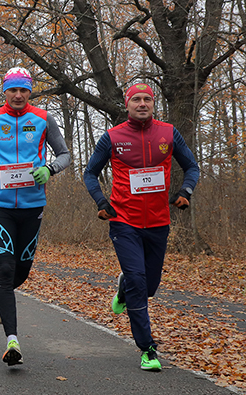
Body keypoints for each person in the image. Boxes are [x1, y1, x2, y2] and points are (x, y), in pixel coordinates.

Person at [84, 83, 199, 371]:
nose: (142, 103)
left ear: (153, 103)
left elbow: (192, 167)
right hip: (124, 222)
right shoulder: (112, 137)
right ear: (127, 104)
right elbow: (89, 173)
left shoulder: (168, 133)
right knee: (138, 280)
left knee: (149, 287)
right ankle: (147, 349)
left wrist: (185, 191)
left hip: (159, 222)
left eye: (147, 99)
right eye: (136, 99)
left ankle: (124, 288)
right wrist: (101, 201)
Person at [0, 67, 70, 366]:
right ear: (4, 91)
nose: (18, 95)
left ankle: (3, 301)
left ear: (30, 91)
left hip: (32, 205)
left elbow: (65, 154)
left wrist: (49, 169)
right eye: (13, 90)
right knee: (5, 269)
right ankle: (12, 340)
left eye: (24, 90)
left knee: (21, 272)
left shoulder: (42, 119)